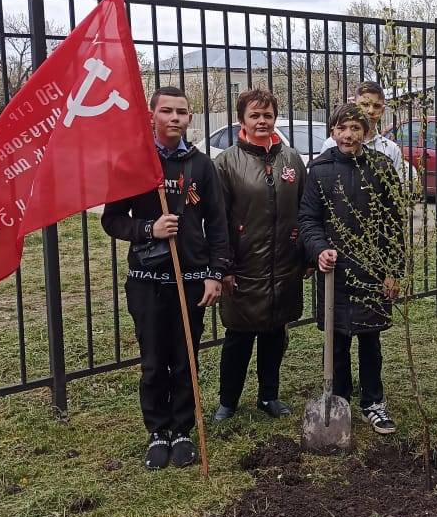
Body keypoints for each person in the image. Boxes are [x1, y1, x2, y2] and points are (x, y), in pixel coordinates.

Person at [101, 87, 229, 470]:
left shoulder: (201, 165)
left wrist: (215, 274)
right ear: (152, 116)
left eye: (182, 112)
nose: (175, 118)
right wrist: (148, 229)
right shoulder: (133, 163)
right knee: (155, 361)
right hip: (148, 281)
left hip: (191, 278)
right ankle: (158, 431)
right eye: (167, 111)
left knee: (186, 358)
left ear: (189, 118)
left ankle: (183, 429)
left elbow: (218, 224)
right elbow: (112, 220)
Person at [298, 102, 404, 435]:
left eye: (355, 128)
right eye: (342, 128)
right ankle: (339, 400)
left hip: (372, 271)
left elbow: (393, 222)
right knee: (337, 339)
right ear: (332, 131)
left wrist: (392, 270)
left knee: (370, 340)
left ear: (366, 132)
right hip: (336, 273)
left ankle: (373, 401)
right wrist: (319, 250)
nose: (348, 135)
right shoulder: (320, 170)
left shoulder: (381, 167)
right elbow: (308, 219)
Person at [213, 88, 307, 423]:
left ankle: (269, 395)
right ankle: (228, 400)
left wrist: (305, 256)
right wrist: (224, 267)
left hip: (283, 266)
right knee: (238, 337)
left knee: (274, 334)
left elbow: (305, 211)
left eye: (268, 115)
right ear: (242, 119)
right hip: (243, 267)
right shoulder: (226, 163)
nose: (262, 121)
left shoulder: (291, 159)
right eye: (255, 115)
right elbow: (218, 221)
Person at [319, 80, 409, 181]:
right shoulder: (332, 144)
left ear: (383, 110)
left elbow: (398, 186)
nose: (371, 111)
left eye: (376, 106)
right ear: (354, 105)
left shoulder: (391, 150)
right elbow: (322, 181)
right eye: (365, 104)